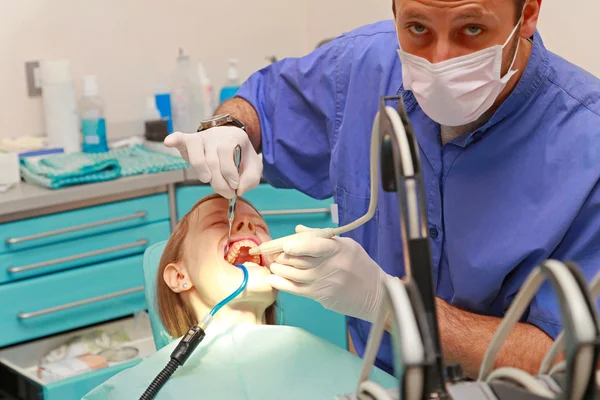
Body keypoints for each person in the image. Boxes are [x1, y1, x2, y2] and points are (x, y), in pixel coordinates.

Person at [165, 0, 600, 378]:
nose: (441, 58)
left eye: (472, 29)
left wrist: (390, 303)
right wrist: (229, 126)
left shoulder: (587, 147)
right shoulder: (360, 68)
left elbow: (573, 357)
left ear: (527, 14)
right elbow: (261, 104)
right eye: (417, 29)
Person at [83, 195, 396, 399]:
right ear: (179, 277)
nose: (248, 224)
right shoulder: (128, 390)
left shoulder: (339, 367)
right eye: (221, 223)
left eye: (260, 226)